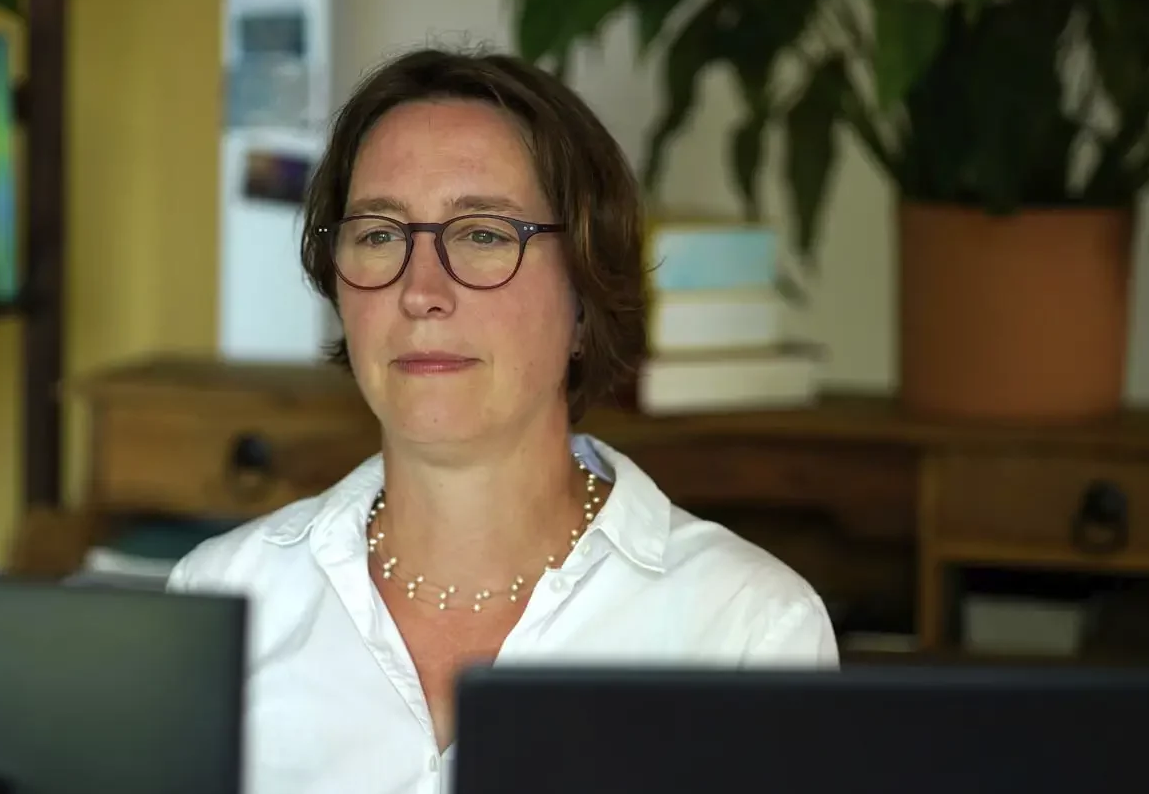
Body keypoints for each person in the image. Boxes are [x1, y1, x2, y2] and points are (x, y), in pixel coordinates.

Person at [167, 47, 837, 794]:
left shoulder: (747, 628)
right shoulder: (219, 600)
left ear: (584, 296)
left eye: (483, 234)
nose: (421, 291)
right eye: (380, 235)